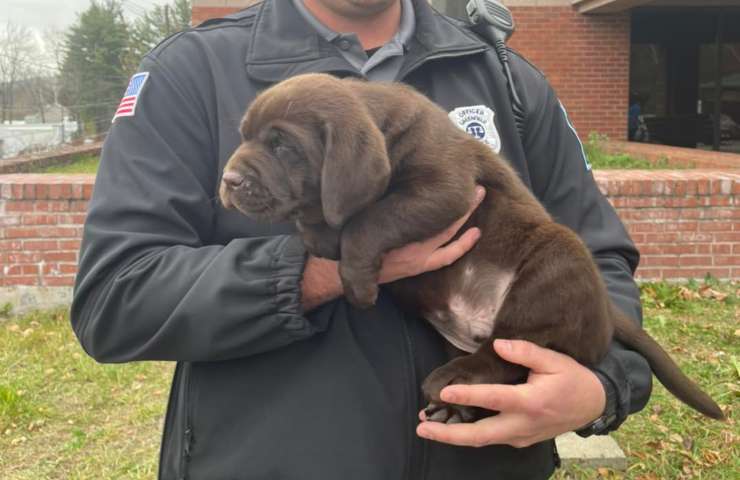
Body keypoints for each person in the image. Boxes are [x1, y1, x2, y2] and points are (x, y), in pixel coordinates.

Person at [71, 1, 652, 478]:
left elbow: (597, 256)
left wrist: (602, 388)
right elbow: (115, 298)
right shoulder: (192, 73)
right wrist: (319, 270)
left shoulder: (502, 75)